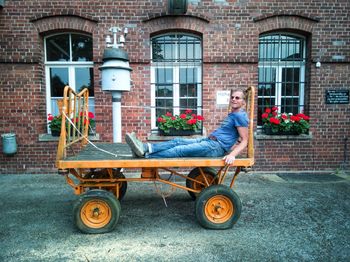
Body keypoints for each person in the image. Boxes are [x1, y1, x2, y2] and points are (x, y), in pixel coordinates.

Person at [125, 88, 249, 165]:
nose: (233, 99)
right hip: (209, 140)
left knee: (179, 150)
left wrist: (232, 155)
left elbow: (244, 140)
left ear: (243, 102)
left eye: (237, 98)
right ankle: (146, 147)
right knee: (177, 141)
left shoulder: (240, 116)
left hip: (215, 147)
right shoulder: (234, 114)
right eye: (232, 97)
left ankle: (145, 155)